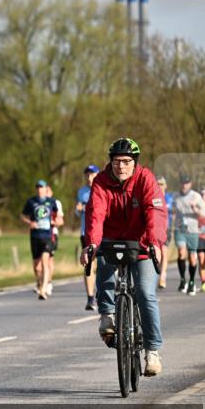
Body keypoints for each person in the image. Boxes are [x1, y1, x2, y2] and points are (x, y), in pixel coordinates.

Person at [81, 138, 166, 375]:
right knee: (104, 266)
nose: (121, 166)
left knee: (145, 291)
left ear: (135, 162)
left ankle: (152, 351)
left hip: (141, 243)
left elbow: (155, 212)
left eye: (127, 161)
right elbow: (96, 214)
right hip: (111, 240)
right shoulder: (101, 182)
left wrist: (154, 242)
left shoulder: (145, 179)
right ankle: (107, 314)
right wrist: (92, 245)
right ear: (111, 162)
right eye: (117, 161)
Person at [21, 180, 62, 300]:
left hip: (47, 236)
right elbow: (23, 215)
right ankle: (39, 283)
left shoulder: (52, 202)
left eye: (42, 187)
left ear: (46, 189)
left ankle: (43, 289)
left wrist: (56, 222)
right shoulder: (31, 201)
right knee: (37, 267)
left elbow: (58, 216)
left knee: (45, 262)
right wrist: (30, 222)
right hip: (35, 236)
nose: (40, 190)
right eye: (38, 187)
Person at [172, 176, 205, 296]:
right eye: (182, 183)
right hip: (180, 228)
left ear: (190, 184)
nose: (184, 185)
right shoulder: (176, 196)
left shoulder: (196, 196)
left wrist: (195, 208)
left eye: (186, 183)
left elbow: (204, 213)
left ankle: (192, 281)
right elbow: (173, 211)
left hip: (193, 230)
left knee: (192, 257)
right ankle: (183, 280)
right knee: (181, 252)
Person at [75, 165, 100, 310]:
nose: (89, 178)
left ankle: (105, 292)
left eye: (92, 175)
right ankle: (90, 298)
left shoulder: (103, 188)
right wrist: (78, 210)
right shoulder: (82, 192)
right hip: (86, 233)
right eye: (87, 175)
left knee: (104, 264)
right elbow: (78, 212)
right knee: (89, 264)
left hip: (102, 233)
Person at [156, 176, 173, 289]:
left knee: (163, 251)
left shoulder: (169, 198)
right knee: (156, 253)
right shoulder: (152, 196)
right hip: (155, 228)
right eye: (157, 184)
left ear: (165, 186)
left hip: (166, 228)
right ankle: (155, 275)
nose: (159, 186)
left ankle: (162, 277)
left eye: (162, 184)